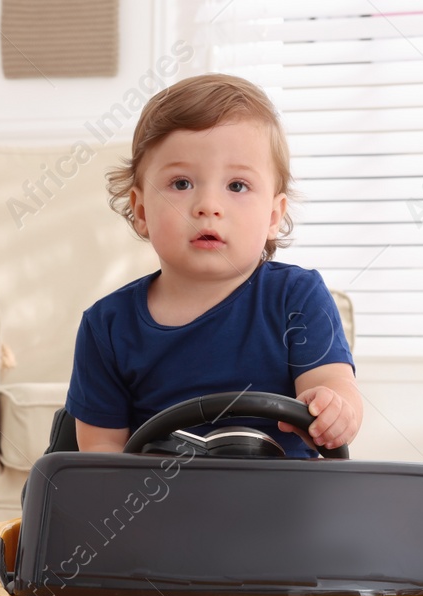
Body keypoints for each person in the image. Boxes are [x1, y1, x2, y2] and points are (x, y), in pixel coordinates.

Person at [65, 73, 362, 456]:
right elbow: (100, 454)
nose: (208, 205)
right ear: (141, 210)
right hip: (158, 508)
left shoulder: (297, 298)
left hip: (285, 506)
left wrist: (335, 408)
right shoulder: (106, 326)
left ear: (274, 215)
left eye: (237, 186)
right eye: (182, 184)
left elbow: (335, 384)